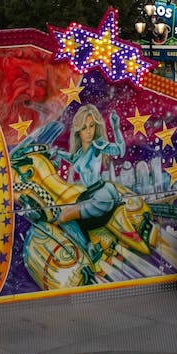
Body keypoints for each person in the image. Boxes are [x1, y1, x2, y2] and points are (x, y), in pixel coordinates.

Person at [52, 105, 126, 260]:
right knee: (66, 213)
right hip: (91, 195)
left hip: (101, 195)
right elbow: (72, 158)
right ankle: (90, 246)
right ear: (78, 130)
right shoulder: (79, 153)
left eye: (92, 126)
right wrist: (57, 152)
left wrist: (116, 127)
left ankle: (88, 251)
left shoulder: (97, 145)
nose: (88, 131)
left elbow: (120, 150)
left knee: (63, 218)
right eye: (84, 127)